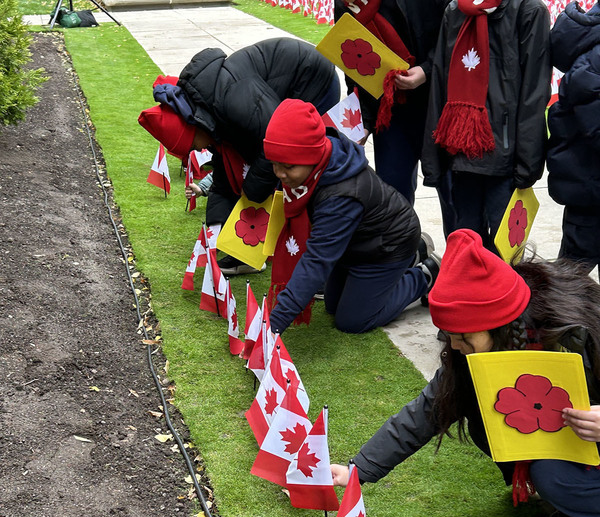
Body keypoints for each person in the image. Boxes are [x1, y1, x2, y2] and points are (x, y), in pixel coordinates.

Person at [331, 228, 600, 517]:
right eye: (449, 337)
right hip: (575, 441)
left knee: (553, 475)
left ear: (502, 326)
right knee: (490, 424)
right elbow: (428, 409)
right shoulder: (474, 349)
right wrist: (357, 469)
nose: (455, 348)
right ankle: (577, 503)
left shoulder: (583, 324)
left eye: (465, 339)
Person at [139, 38, 339, 275]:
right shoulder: (208, 111)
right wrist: (214, 229)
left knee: (297, 169)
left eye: (192, 145)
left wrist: (253, 190)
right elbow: (225, 173)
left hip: (313, 81)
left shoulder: (231, 99)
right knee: (267, 175)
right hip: (283, 95)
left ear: (194, 128)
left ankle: (313, 256)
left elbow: (274, 142)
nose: (196, 151)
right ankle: (249, 252)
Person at [262, 99, 441, 335]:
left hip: (387, 245)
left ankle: (425, 274)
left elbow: (316, 262)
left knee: (352, 321)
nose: (280, 174)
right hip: (354, 243)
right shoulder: (321, 156)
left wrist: (270, 328)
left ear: (312, 156)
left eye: (288, 166)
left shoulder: (340, 196)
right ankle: (417, 251)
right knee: (332, 305)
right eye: (274, 164)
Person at [421, 0, 551, 251]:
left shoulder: (529, 11)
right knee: (465, 247)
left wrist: (528, 163)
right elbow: (440, 80)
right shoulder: (455, 11)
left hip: (505, 159)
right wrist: (434, 158)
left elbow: (534, 92)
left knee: (505, 256)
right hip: (459, 154)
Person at [333, 0, 454, 234]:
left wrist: (427, 70)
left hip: (439, 102)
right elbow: (352, 61)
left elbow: (454, 35)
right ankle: (401, 264)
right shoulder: (348, 4)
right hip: (389, 111)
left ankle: (460, 263)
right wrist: (363, 120)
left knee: (453, 194)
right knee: (393, 197)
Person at [546, 0, 600, 275]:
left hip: (586, 184)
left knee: (571, 272)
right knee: (571, 276)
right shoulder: (594, 58)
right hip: (588, 188)